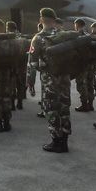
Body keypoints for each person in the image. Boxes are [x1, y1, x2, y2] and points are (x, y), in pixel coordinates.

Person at [28, 8, 72, 153]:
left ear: (41, 20)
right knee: (64, 109)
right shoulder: (64, 35)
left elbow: (32, 64)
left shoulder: (38, 38)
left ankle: (56, 142)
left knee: (52, 109)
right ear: (54, 20)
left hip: (50, 82)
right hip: (65, 79)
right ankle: (64, 141)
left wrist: (32, 81)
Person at [73, 18, 95, 113]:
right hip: (90, 64)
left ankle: (84, 104)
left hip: (81, 65)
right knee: (90, 84)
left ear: (77, 25)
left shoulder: (78, 36)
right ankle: (90, 104)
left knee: (81, 84)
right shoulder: (89, 35)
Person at [7, 21, 28, 110]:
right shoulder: (23, 38)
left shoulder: (8, 37)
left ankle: (12, 104)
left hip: (12, 65)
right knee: (21, 84)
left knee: (11, 84)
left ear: (8, 28)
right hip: (22, 65)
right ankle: (20, 103)